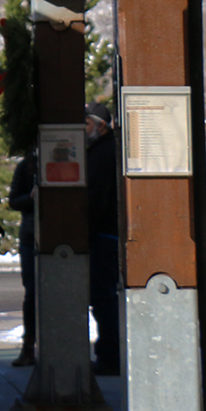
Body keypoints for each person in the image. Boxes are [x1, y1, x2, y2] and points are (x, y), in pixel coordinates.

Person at [85, 102, 121, 376]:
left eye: (87, 124)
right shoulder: (106, 150)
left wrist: (84, 231)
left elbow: (96, 199)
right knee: (104, 297)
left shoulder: (102, 153)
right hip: (107, 232)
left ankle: (109, 356)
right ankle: (110, 353)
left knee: (103, 298)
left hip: (103, 234)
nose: (83, 130)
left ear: (100, 125)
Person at [7, 152, 37, 367]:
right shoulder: (26, 166)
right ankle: (29, 346)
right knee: (32, 293)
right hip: (31, 235)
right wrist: (31, 198)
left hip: (57, 234)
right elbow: (14, 200)